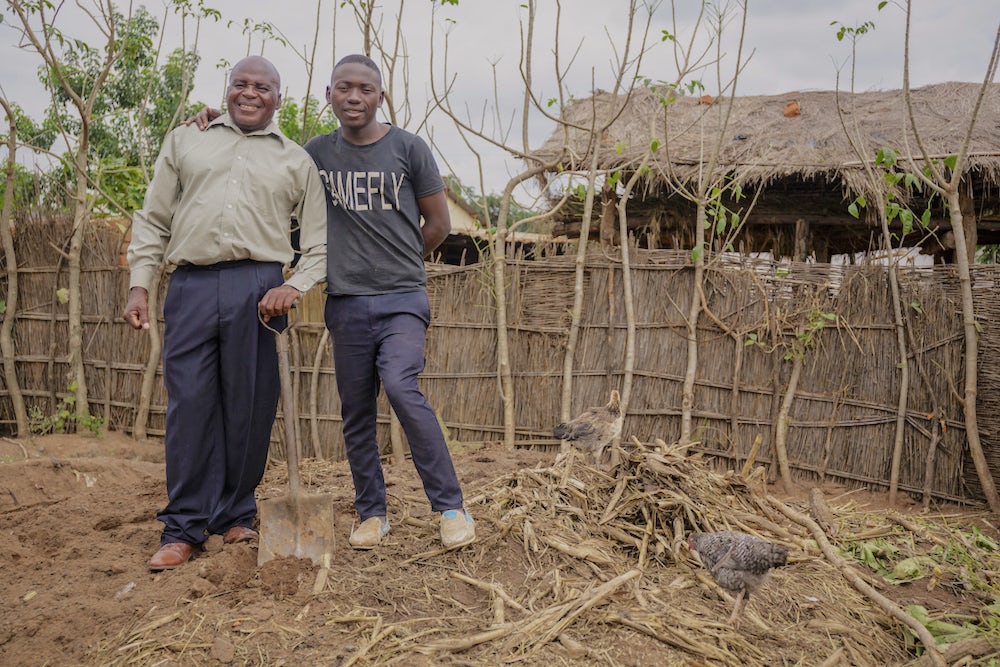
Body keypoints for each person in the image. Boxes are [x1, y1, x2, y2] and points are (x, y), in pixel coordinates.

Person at [124, 56, 328, 571]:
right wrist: (139, 285)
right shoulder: (186, 140)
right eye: (241, 83)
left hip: (259, 289)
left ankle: (238, 512)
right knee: (188, 405)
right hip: (190, 284)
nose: (250, 92)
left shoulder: (296, 160)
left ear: (279, 97)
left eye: (263, 86)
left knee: (251, 405)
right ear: (227, 89)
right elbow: (152, 219)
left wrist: (294, 285)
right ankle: (183, 527)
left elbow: (321, 244)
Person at [310, 54, 475, 550]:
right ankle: (371, 512)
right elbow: (267, 161)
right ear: (330, 94)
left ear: (380, 96)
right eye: (344, 88)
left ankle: (450, 507)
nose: (354, 97)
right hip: (345, 301)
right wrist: (215, 121)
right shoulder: (315, 153)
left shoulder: (409, 149)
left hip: (402, 298)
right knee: (356, 410)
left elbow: (440, 226)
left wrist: (400, 262)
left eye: (365, 89)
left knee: (401, 386)